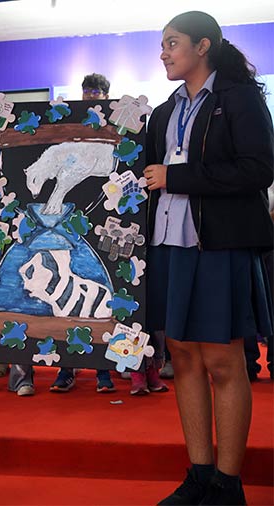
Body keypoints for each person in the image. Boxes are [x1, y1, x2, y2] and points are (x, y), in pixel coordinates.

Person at [142, 11, 273, 505]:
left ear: (203, 46)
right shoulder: (162, 111)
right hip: (168, 245)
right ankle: (199, 474)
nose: (164, 53)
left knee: (223, 360)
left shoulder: (238, 99)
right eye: (162, 44)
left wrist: (179, 178)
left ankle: (227, 483)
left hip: (218, 244)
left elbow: (258, 168)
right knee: (183, 355)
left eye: (171, 43)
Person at [50, 73, 117, 394]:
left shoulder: (117, 129)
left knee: (103, 292)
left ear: (106, 95)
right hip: (69, 217)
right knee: (66, 290)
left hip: (106, 219)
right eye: (87, 91)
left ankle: (104, 369)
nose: (91, 96)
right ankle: (66, 367)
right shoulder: (70, 128)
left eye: (97, 91)